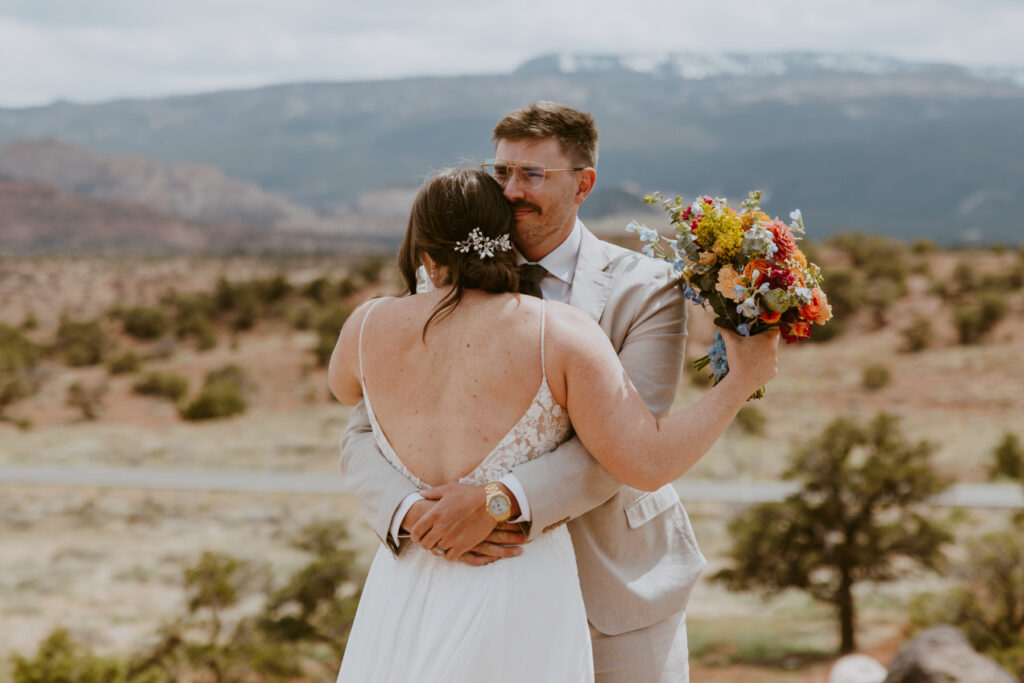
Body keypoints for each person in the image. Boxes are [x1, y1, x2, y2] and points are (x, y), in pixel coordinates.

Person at [335, 102, 773, 682]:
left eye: (533, 175)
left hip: (617, 586)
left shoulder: (644, 288)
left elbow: (621, 447)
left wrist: (497, 500)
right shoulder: (436, 281)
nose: (512, 190)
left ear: (583, 184)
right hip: (454, 569)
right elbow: (366, 429)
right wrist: (410, 511)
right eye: (502, 173)